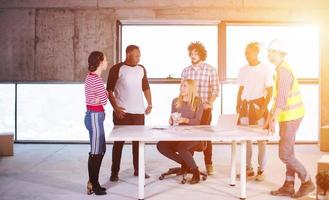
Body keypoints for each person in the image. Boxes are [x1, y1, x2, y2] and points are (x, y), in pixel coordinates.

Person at [265, 39, 315, 198]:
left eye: (270, 51)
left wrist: (273, 120)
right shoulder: (281, 69)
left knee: (284, 154)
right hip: (289, 117)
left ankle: (307, 181)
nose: (268, 54)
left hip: (291, 117)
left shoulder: (284, 71)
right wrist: (271, 116)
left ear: (277, 52)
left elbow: (281, 99)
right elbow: (277, 98)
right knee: (289, 152)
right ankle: (288, 185)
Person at [106, 45, 152, 182]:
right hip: (123, 113)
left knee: (138, 143)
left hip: (138, 112)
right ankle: (114, 173)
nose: (139, 57)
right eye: (137, 55)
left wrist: (149, 104)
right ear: (128, 54)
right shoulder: (117, 68)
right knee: (119, 144)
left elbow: (146, 87)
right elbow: (109, 90)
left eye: (140, 55)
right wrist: (116, 108)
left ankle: (138, 170)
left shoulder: (141, 69)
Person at [236, 42, 273, 181]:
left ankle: (262, 170)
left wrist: (262, 109)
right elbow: (240, 89)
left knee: (261, 140)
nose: (247, 56)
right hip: (245, 107)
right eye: (246, 53)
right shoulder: (243, 69)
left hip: (258, 107)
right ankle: (248, 169)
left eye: (249, 53)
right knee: (246, 139)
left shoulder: (265, 69)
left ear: (257, 53)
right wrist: (237, 106)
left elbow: (270, 91)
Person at [181, 41, 220, 175]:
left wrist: (209, 102)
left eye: (196, 53)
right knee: (188, 137)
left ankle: (209, 164)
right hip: (189, 109)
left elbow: (215, 90)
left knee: (205, 137)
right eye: (191, 53)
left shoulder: (210, 70)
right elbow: (182, 90)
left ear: (202, 54)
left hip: (204, 109)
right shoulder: (186, 71)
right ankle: (189, 164)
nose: (193, 55)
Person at [157, 79, 204, 184]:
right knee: (161, 145)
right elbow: (172, 120)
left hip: (194, 136)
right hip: (178, 134)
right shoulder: (175, 101)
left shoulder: (198, 101)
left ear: (191, 88)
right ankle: (185, 163)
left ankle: (195, 171)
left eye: (184, 86)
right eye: (181, 86)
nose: (181, 88)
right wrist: (171, 120)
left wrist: (185, 120)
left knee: (182, 147)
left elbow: (197, 122)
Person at [84, 51, 108, 195]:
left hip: (95, 116)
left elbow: (100, 98)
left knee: (101, 149)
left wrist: (101, 95)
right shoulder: (97, 80)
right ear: (99, 62)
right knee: (95, 152)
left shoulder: (90, 77)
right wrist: (105, 94)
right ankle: (94, 184)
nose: (107, 62)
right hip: (94, 116)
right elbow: (105, 100)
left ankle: (93, 181)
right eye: (105, 60)